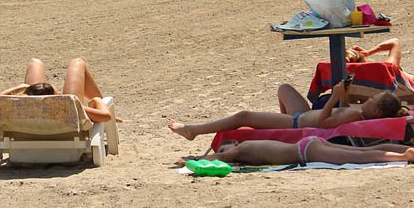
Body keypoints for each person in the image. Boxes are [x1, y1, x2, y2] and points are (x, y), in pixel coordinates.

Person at [167, 78, 401, 141]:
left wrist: (335, 98)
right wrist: (344, 94)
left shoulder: (355, 115)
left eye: (373, 100)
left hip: (298, 124)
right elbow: (337, 114)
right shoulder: (358, 113)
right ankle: (277, 130)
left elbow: (324, 122)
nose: (368, 100)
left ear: (378, 112)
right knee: (284, 89)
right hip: (299, 116)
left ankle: (193, 130)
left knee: (243, 116)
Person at [0, 58, 119, 123]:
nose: (60, 93)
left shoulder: (21, 107)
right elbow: (106, 116)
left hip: (30, 127)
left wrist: (20, 88)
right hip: (66, 128)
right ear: (54, 97)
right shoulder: (67, 105)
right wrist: (97, 101)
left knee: (35, 62)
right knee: (77, 62)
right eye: (58, 93)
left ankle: (34, 90)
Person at [178, 138, 414, 167]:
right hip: (310, 144)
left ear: (233, 146)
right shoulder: (247, 148)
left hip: (307, 152)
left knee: (359, 157)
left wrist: (193, 159)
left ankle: (405, 155)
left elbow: (219, 159)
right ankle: (413, 148)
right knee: (362, 150)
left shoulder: (241, 149)